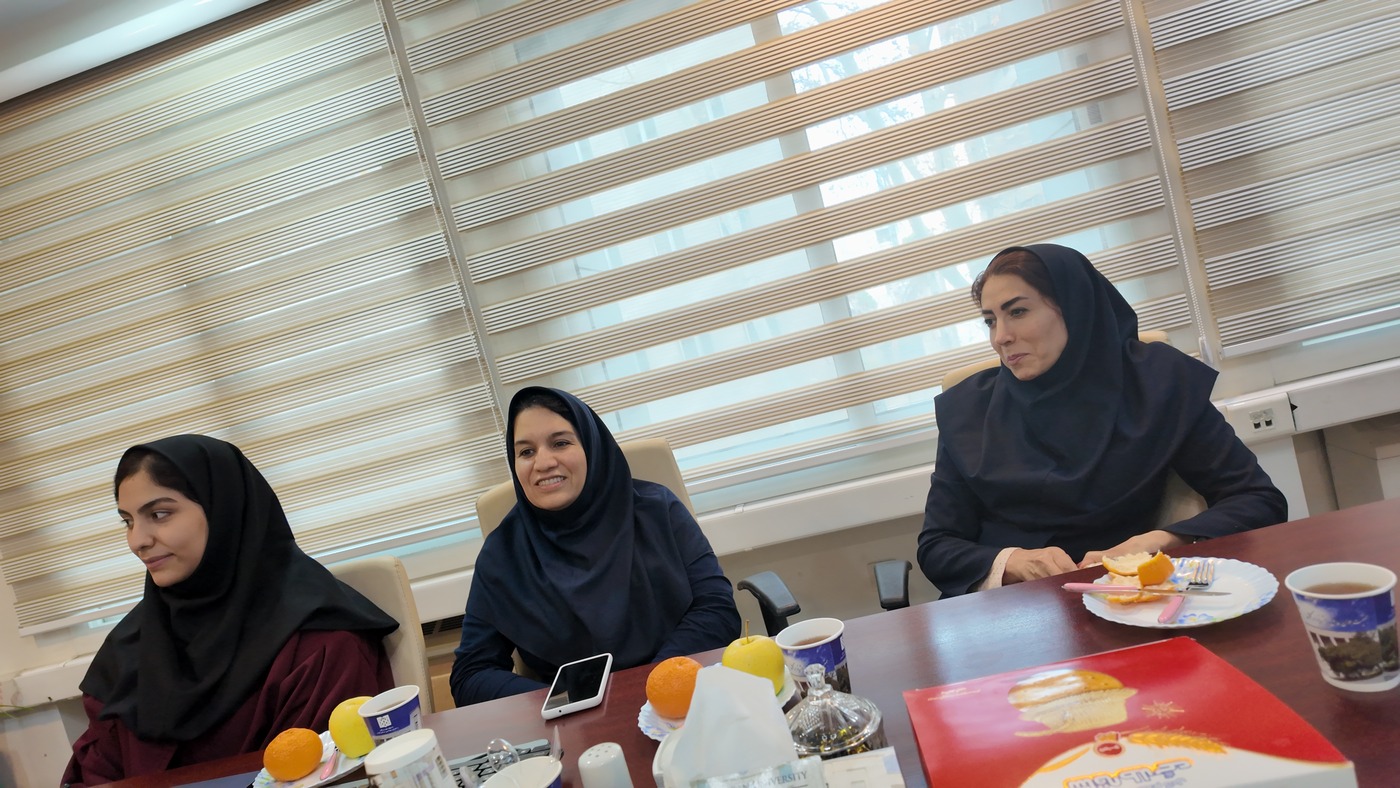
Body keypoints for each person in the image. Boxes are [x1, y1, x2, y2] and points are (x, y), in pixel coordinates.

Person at [918, 244, 1286, 597]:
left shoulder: (1156, 384)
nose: (1001, 337)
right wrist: (1011, 562)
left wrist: (1157, 542)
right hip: (1010, 607)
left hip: (1123, 595)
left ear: (1074, 308)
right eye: (990, 321)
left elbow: (1257, 499)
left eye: (1017, 312)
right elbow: (937, 546)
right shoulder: (967, 411)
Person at [63, 435, 398, 785]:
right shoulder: (131, 648)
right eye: (128, 521)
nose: (137, 541)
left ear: (223, 510)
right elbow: (95, 776)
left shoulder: (319, 643)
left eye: (159, 514)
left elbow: (321, 774)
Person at [451, 387, 741, 706]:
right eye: (527, 452)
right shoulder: (503, 554)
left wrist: (653, 681)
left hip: (680, 693)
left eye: (560, 443)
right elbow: (471, 675)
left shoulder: (658, 510)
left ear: (591, 446)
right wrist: (562, 699)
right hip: (576, 719)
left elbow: (717, 609)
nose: (543, 462)